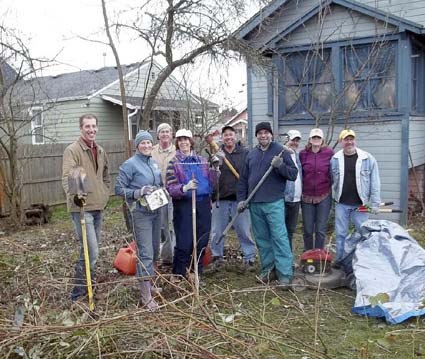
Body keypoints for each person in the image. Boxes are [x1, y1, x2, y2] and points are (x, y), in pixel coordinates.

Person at [237, 122, 297, 286]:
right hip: (255, 203)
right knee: (262, 239)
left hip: (274, 202)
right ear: (256, 136)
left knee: (279, 237)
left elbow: (293, 174)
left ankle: (285, 274)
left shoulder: (280, 151)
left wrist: (280, 166)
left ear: (271, 134)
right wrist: (241, 199)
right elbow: (243, 180)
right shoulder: (251, 154)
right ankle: (268, 270)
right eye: (260, 133)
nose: (263, 136)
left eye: (266, 133)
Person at [62, 114, 111, 302]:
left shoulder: (100, 150)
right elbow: (67, 176)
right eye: (87, 126)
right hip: (81, 209)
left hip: (98, 206)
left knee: (90, 251)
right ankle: (78, 293)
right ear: (81, 128)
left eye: (94, 126)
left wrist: (104, 192)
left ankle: (86, 286)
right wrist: (75, 196)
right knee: (92, 251)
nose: (91, 129)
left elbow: (105, 174)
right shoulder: (72, 150)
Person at [115, 130, 163, 310]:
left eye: (149, 143)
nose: (147, 146)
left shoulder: (153, 162)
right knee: (146, 253)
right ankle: (145, 296)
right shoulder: (129, 165)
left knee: (156, 250)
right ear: (137, 145)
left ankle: (150, 285)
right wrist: (138, 192)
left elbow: (158, 183)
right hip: (140, 213)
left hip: (157, 210)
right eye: (143, 143)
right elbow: (118, 189)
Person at [166, 129, 220, 280]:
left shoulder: (202, 161)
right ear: (177, 142)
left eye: (186, 139)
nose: (184, 142)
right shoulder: (174, 163)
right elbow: (170, 188)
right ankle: (178, 275)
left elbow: (212, 183)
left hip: (202, 204)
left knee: (201, 241)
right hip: (183, 206)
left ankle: (196, 272)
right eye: (180, 139)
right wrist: (184, 188)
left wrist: (216, 169)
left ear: (191, 141)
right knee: (184, 242)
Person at [209, 125, 257, 271]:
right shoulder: (216, 153)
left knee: (244, 230)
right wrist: (216, 162)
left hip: (240, 199)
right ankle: (217, 257)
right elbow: (211, 175)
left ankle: (249, 258)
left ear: (235, 137)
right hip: (220, 198)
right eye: (225, 135)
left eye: (231, 135)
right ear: (222, 138)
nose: (228, 137)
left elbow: (250, 174)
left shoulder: (245, 153)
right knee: (218, 230)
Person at [331, 129, 381, 263]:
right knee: (341, 234)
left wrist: (375, 204)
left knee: (365, 233)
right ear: (341, 141)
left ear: (355, 140)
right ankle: (340, 261)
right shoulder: (335, 159)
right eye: (346, 139)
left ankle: (366, 261)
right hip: (341, 204)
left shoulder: (367, 159)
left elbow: (375, 183)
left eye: (351, 139)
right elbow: (332, 180)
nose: (349, 142)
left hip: (361, 205)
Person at [299, 128, 334, 251]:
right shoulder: (303, 154)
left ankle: (319, 255)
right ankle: (308, 254)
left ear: (322, 140)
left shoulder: (329, 153)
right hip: (307, 196)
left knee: (320, 229)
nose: (316, 140)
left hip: (324, 195)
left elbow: (334, 172)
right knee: (308, 229)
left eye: (318, 137)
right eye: (314, 137)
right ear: (309, 139)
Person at [151, 123, 176, 265]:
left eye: (167, 131)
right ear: (158, 135)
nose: (165, 134)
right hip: (156, 193)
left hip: (172, 192)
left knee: (171, 224)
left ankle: (172, 256)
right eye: (162, 132)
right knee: (160, 225)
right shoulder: (152, 151)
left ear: (171, 134)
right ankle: (162, 256)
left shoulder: (176, 151)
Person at [283, 130, 303, 251]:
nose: (294, 143)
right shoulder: (281, 154)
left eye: (297, 140)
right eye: (292, 140)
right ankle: (281, 259)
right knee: (281, 232)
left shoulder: (296, 155)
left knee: (290, 231)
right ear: (287, 140)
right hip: (284, 199)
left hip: (296, 200)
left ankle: (288, 258)